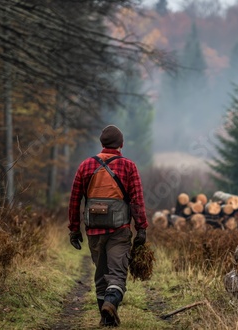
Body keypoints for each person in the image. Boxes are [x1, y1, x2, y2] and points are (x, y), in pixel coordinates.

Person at [68, 125, 148, 327]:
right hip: (119, 230)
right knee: (117, 273)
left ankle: (106, 317)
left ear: (102, 144)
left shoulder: (86, 165)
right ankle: (110, 304)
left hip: (94, 230)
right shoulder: (129, 166)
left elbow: (75, 200)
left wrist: (74, 229)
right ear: (121, 145)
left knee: (101, 272)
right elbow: (137, 200)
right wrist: (142, 228)